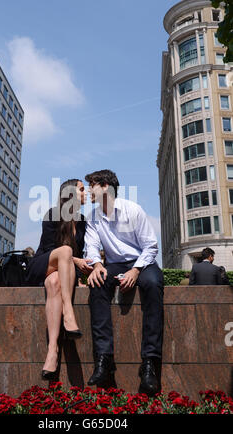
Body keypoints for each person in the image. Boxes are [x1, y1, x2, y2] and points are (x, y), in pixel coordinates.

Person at [84, 170, 164, 396]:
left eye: (92, 185)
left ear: (106, 186)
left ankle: (149, 364)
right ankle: (104, 360)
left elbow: (150, 246)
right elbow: (91, 246)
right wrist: (97, 265)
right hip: (114, 264)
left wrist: (136, 270)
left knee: (152, 285)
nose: (89, 190)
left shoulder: (133, 210)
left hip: (142, 261)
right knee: (97, 284)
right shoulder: (92, 217)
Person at [26, 179, 93, 380]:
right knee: (65, 251)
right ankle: (68, 312)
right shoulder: (53, 214)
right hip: (42, 264)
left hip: (61, 273)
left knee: (54, 282)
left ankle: (52, 352)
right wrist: (75, 260)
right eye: (82, 189)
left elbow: (83, 252)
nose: (86, 193)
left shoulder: (82, 221)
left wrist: (79, 275)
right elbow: (48, 249)